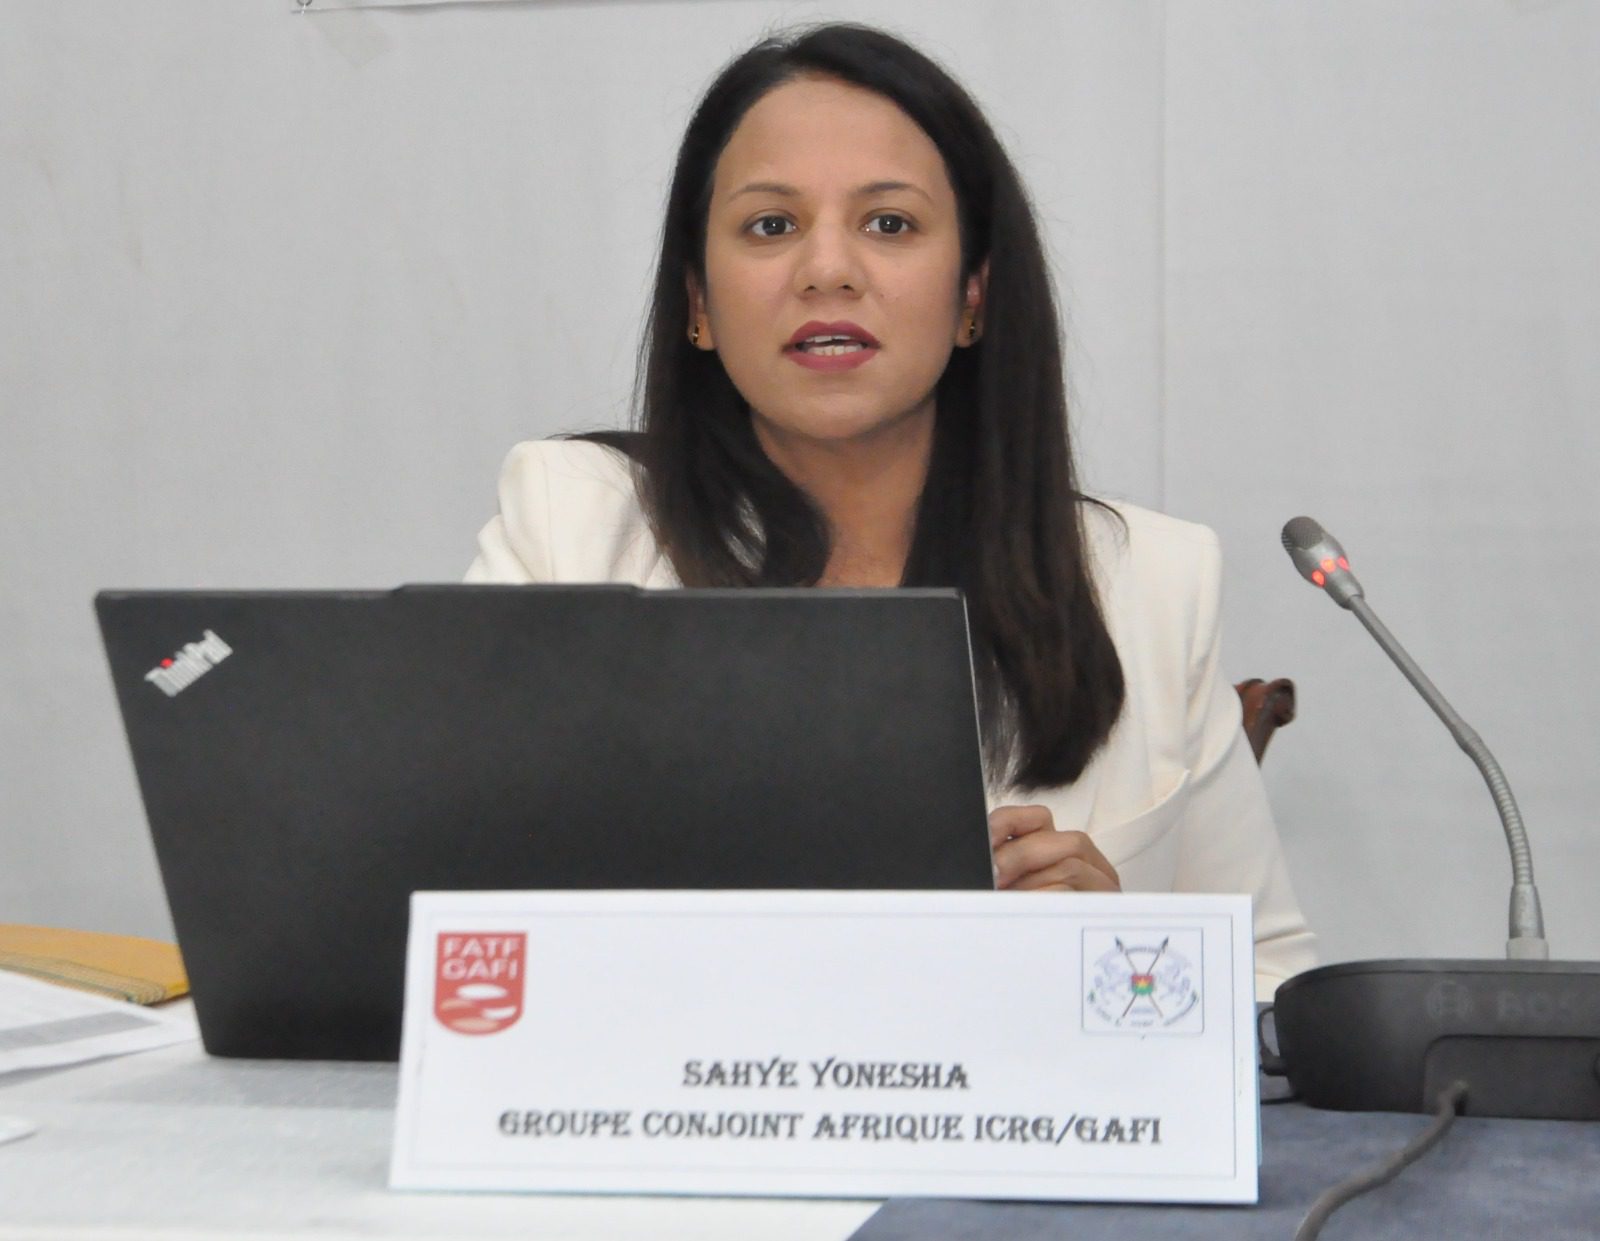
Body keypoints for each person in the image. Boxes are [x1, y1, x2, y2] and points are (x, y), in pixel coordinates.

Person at [466, 23, 1316, 997]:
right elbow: (452, 924)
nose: (827, 269)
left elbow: (1273, 981)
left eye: (889, 224)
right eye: (770, 226)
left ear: (973, 294)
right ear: (697, 300)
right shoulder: (571, 528)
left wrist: (1115, 958)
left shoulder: (1151, 582)